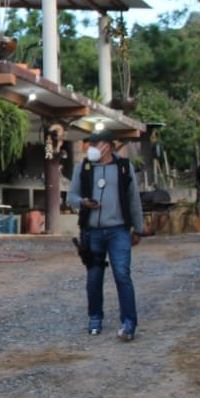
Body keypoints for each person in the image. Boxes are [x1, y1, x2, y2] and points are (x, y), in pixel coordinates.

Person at [69, 132, 146, 341]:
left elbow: (133, 200)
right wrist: (84, 202)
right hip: (92, 232)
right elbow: (71, 197)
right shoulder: (82, 169)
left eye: (97, 143)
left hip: (118, 231)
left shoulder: (123, 167)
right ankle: (95, 318)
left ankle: (129, 323)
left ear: (109, 146)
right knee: (94, 277)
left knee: (122, 274)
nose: (91, 147)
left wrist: (138, 228)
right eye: (90, 143)